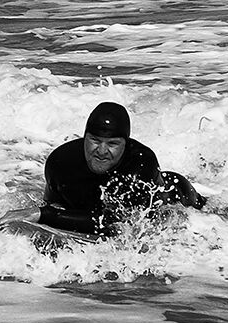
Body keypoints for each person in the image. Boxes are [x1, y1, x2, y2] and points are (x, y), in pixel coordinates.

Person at [38, 101, 206, 237]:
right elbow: (53, 205)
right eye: (95, 140)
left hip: (176, 196)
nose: (102, 151)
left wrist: (45, 216)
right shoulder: (61, 162)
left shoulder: (140, 166)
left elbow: (120, 225)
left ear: (125, 144)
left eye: (112, 144)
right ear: (85, 137)